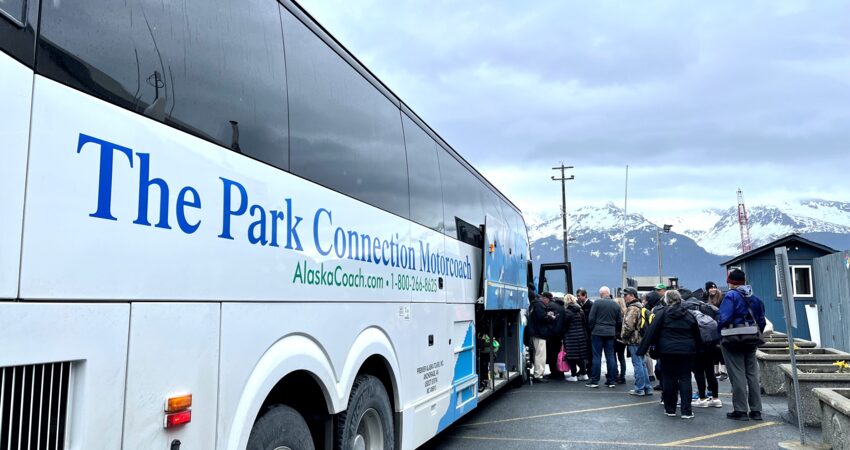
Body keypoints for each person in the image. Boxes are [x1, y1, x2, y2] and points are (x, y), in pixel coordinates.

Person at [638, 290, 701, 419]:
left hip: (667, 351)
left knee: (668, 378)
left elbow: (651, 332)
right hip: (687, 351)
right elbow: (697, 335)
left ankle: (670, 409)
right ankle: (686, 411)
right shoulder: (689, 315)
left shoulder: (662, 314)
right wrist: (699, 350)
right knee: (685, 378)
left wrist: (642, 350)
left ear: (666, 300)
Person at [718, 269, 766, 421]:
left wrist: (720, 332)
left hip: (733, 340)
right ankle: (756, 410)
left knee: (737, 374)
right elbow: (762, 321)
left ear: (730, 282)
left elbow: (724, 318)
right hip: (751, 339)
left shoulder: (730, 296)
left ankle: (740, 410)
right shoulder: (754, 297)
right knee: (752, 374)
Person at [682, 287, 722, 408]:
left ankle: (702, 398)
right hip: (711, 343)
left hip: (696, 343)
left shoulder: (686, 307)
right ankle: (715, 398)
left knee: (699, 372)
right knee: (710, 371)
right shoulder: (706, 306)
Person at [586, 286, 622, 388]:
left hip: (597, 332)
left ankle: (594, 381)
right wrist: (614, 330)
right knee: (610, 356)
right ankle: (611, 380)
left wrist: (592, 329)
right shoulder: (616, 305)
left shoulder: (597, 303)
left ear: (601, 294)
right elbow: (619, 321)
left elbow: (591, 318)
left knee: (597, 356)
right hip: (610, 333)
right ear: (609, 293)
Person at [621, 288, 652, 396]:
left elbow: (628, 326)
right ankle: (647, 387)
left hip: (634, 340)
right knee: (642, 363)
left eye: (626, 295)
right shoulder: (641, 306)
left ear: (632, 296)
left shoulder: (632, 308)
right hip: (642, 339)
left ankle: (639, 388)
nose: (624, 297)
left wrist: (623, 337)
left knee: (638, 364)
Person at [527, 290, 555, 382]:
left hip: (535, 332)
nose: (549, 302)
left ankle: (537, 373)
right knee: (541, 355)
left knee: (537, 354)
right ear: (545, 298)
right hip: (540, 333)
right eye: (549, 300)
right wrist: (550, 317)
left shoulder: (534, 304)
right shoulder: (539, 305)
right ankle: (538, 375)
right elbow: (542, 318)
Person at [562, 294, 590, 381]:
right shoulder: (580, 311)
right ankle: (584, 374)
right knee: (581, 356)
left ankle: (573, 375)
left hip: (571, 337)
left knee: (572, 357)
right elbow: (584, 323)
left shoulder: (567, 312)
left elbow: (565, 326)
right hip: (581, 336)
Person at [544, 292, 566, 380]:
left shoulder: (550, 306)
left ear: (547, 298)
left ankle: (554, 372)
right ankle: (560, 372)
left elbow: (547, 319)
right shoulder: (561, 307)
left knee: (552, 354)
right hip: (560, 334)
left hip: (551, 333)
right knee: (559, 353)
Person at [576, 288, 593, 374]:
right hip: (582, 332)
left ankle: (590, 368)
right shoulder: (578, 305)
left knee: (589, 351)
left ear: (585, 295)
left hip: (588, 332)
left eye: (579, 296)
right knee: (582, 352)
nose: (578, 297)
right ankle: (583, 368)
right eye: (577, 296)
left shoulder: (590, 305)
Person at [614, 296, 628, 384]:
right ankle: (622, 375)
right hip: (622, 338)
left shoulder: (615, 314)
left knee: (613, 356)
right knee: (621, 356)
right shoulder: (626, 313)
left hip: (615, 337)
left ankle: (615, 373)